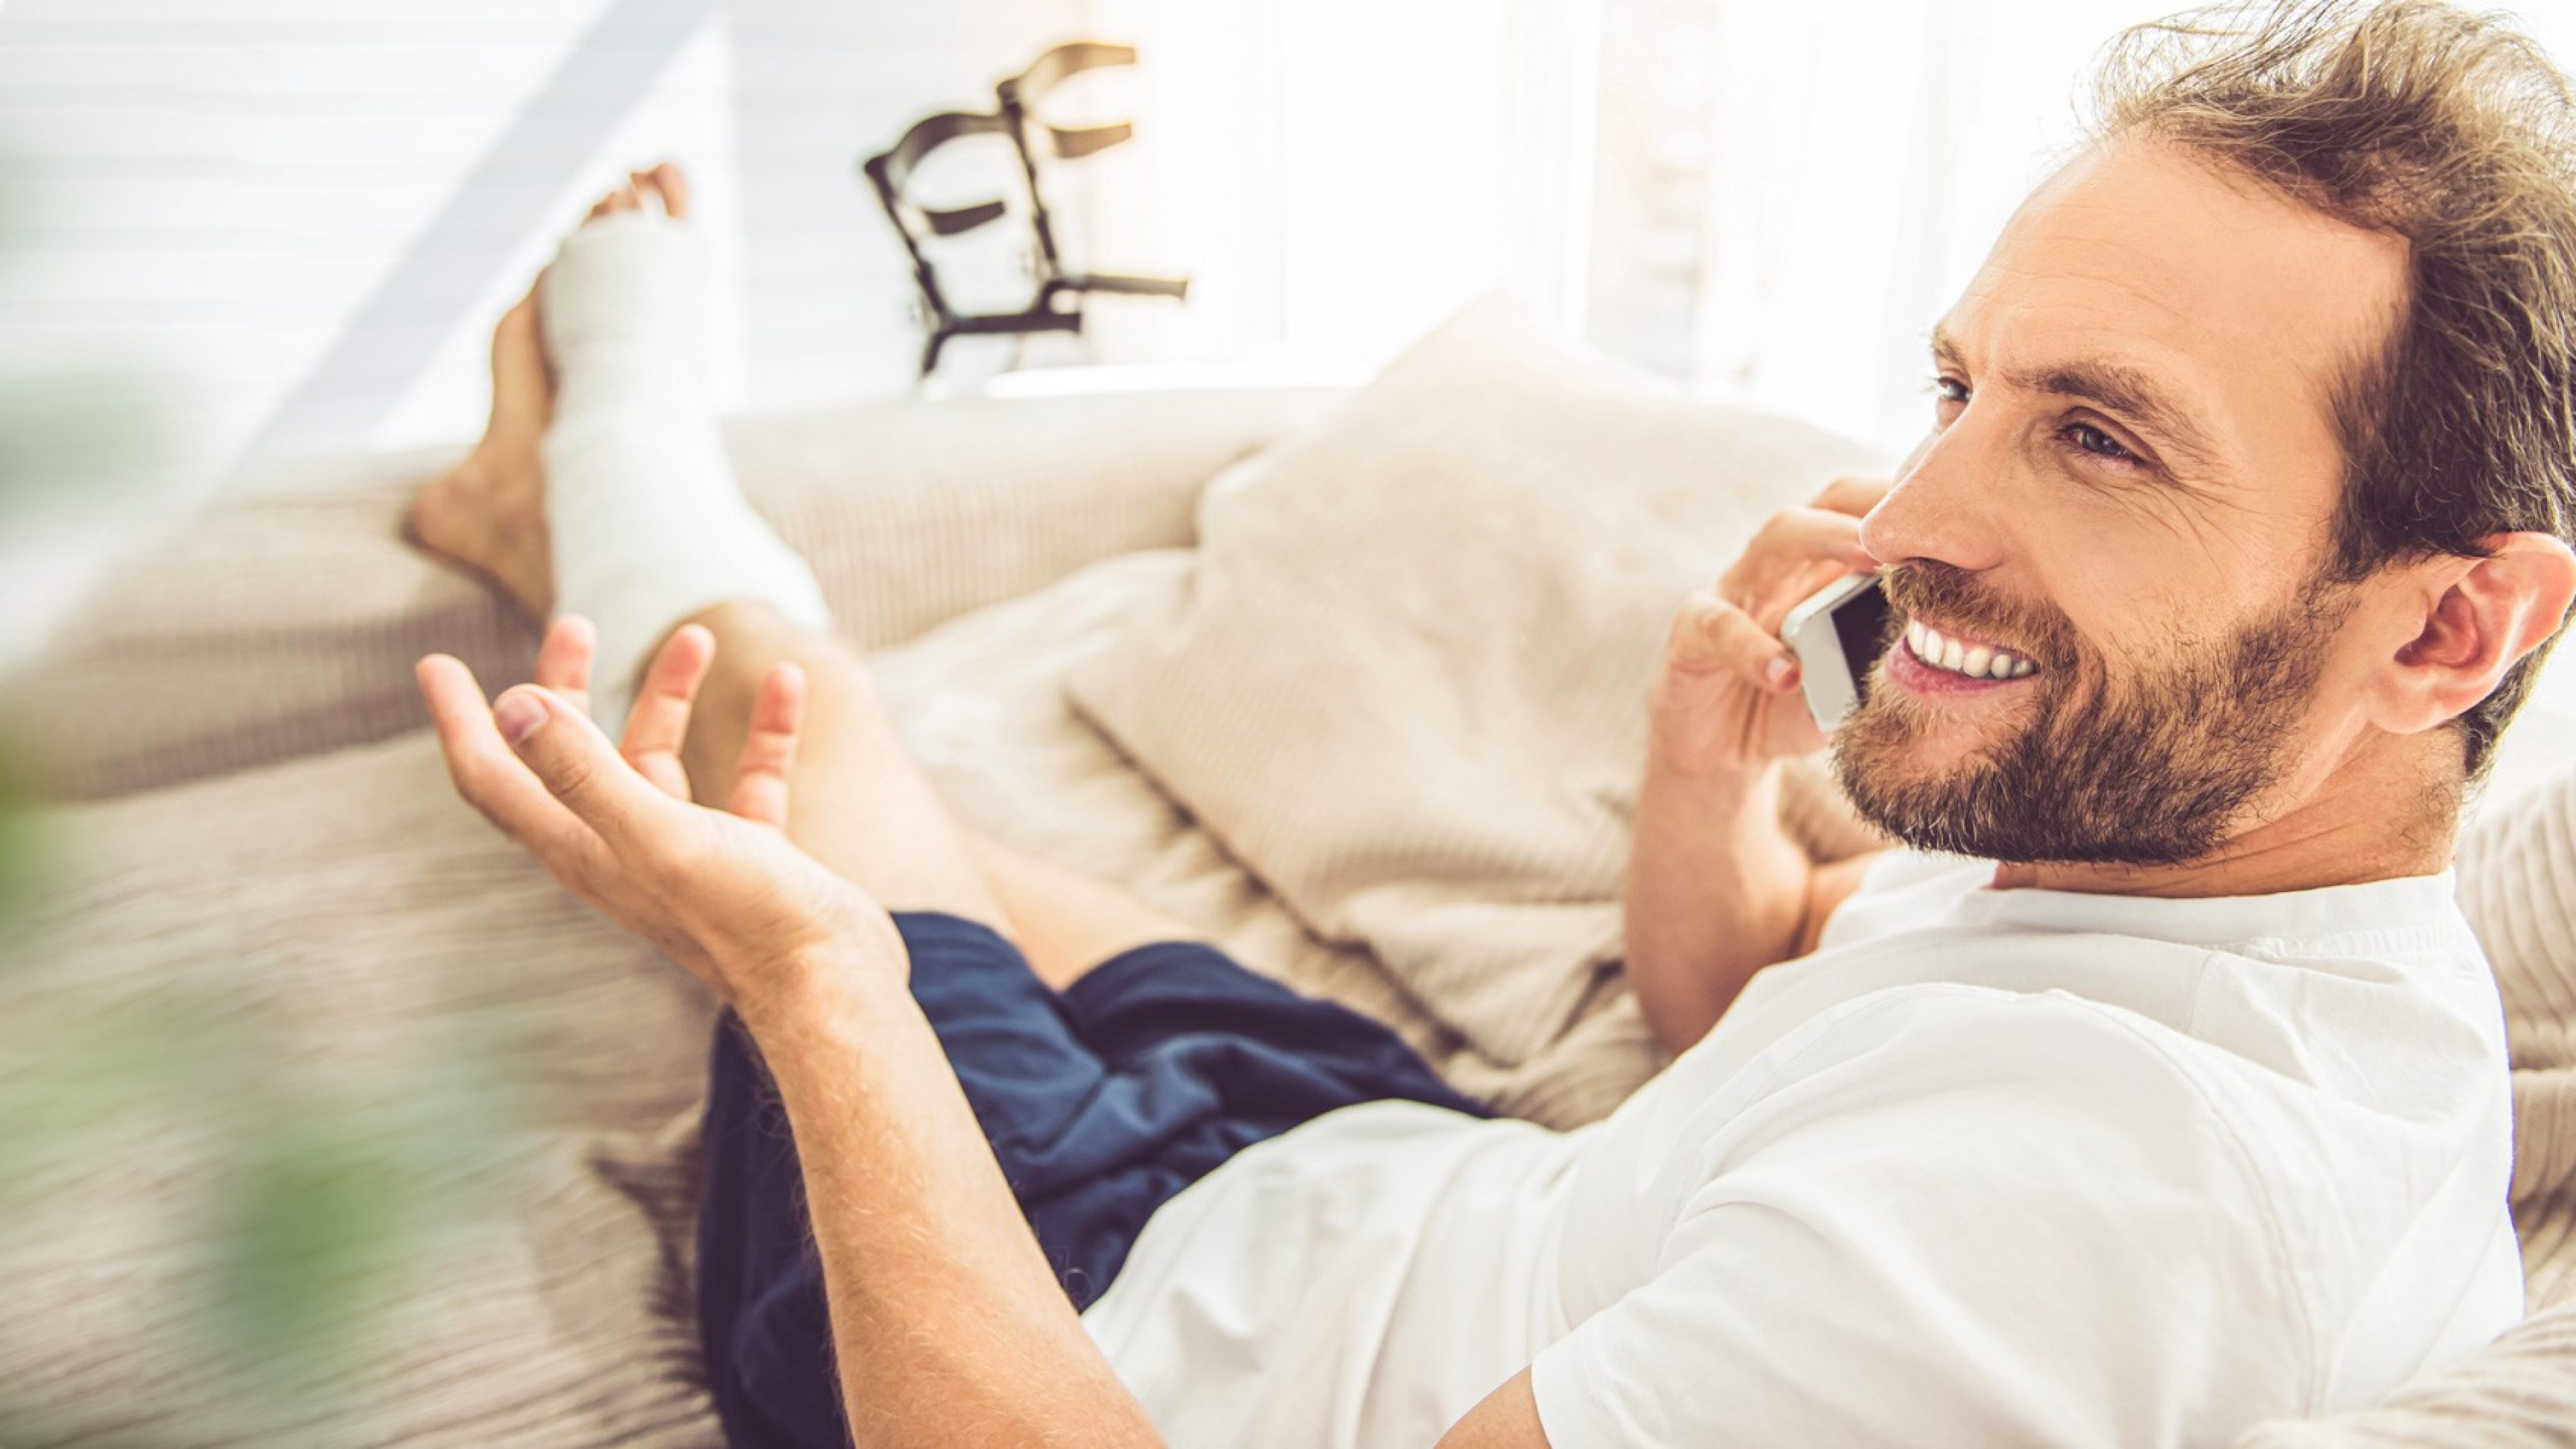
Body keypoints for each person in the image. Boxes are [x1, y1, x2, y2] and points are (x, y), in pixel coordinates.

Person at [406, 1, 2576, 1444]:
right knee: (958, 867)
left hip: (1095, 1335)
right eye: (1958, 389)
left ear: (2448, 626)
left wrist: (819, 992)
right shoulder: (2224, 903)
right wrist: (1702, 767)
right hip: (1384, 1178)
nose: (1913, 520)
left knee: (823, 773)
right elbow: (1752, 1005)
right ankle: (563, 510)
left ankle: (599, 440)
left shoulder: (2073, 1233)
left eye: (2097, 440)